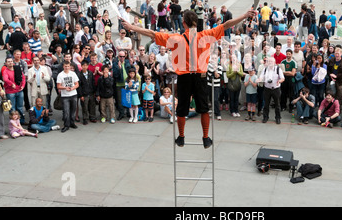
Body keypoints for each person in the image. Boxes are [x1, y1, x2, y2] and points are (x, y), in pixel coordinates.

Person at [121, 8, 254, 148]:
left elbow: (152, 33)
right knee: (203, 109)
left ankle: (181, 137)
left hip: (184, 77)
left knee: (181, 110)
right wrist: (244, 15)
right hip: (200, 77)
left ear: (183, 23)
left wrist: (131, 27)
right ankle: (205, 138)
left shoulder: (176, 39)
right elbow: (227, 24)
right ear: (196, 23)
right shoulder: (205, 35)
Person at [56, 61, 80, 133]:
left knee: (73, 110)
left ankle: (72, 123)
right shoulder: (60, 75)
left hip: (73, 94)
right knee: (66, 111)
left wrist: (72, 88)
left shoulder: (73, 73)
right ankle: (66, 125)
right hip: (65, 95)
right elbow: (58, 86)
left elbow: (77, 84)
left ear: (70, 66)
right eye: (65, 66)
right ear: (63, 66)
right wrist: (65, 88)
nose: (67, 68)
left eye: (68, 66)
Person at [77, 60, 96, 125]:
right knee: (84, 107)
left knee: (92, 105)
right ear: (81, 66)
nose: (85, 67)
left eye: (86, 65)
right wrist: (81, 95)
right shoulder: (79, 75)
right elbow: (78, 86)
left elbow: (93, 83)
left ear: (88, 66)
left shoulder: (90, 73)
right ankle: (85, 118)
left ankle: (92, 117)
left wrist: (94, 92)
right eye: (83, 65)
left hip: (91, 92)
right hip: (84, 94)